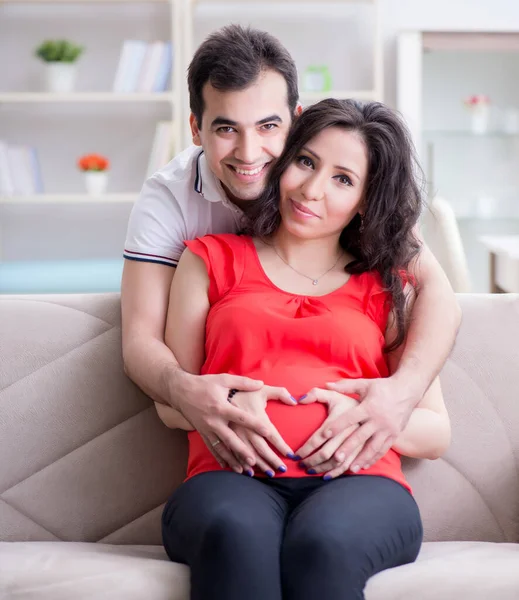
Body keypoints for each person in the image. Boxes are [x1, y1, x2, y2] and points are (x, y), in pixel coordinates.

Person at [121, 24, 460, 478]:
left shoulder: (329, 180)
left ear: (295, 119)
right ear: (196, 129)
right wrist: (185, 391)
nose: (249, 153)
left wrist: (401, 395)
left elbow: (438, 291)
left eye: (268, 126)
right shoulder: (168, 202)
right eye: (225, 128)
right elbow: (142, 339)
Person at [157, 97, 451, 599]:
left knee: (323, 544)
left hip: (361, 486)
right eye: (306, 162)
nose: (312, 190)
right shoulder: (210, 260)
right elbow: (169, 403)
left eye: (343, 179)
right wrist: (224, 406)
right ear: (284, 160)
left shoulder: (388, 284)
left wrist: (367, 414)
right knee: (236, 535)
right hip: (230, 479)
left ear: (366, 199)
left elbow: (435, 432)